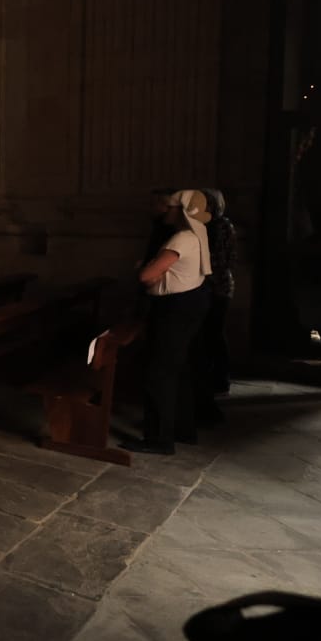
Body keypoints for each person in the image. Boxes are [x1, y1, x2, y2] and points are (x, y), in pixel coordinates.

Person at [124, 190, 212, 456]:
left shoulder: (182, 237)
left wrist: (147, 271)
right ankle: (182, 429)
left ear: (179, 211)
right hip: (188, 305)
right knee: (178, 370)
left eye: (169, 207)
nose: (165, 211)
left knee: (158, 373)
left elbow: (147, 275)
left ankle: (159, 439)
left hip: (174, 310)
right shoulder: (196, 235)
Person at [200, 188, 236, 399]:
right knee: (210, 333)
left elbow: (222, 260)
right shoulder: (211, 225)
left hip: (217, 286)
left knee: (214, 333)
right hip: (214, 285)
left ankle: (221, 379)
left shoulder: (220, 226)